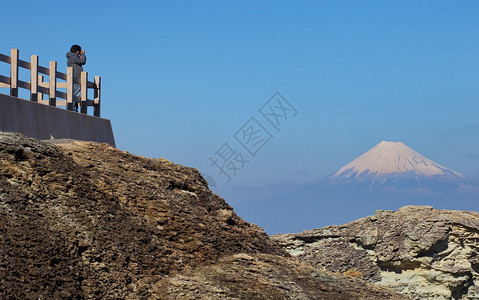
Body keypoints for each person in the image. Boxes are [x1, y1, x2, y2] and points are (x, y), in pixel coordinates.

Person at [66, 45, 86, 112]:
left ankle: (74, 108)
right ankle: (73, 109)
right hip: (76, 77)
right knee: (76, 93)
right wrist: (83, 55)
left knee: (74, 93)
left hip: (74, 77)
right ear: (77, 51)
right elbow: (82, 61)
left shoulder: (70, 57)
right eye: (80, 50)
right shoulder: (74, 56)